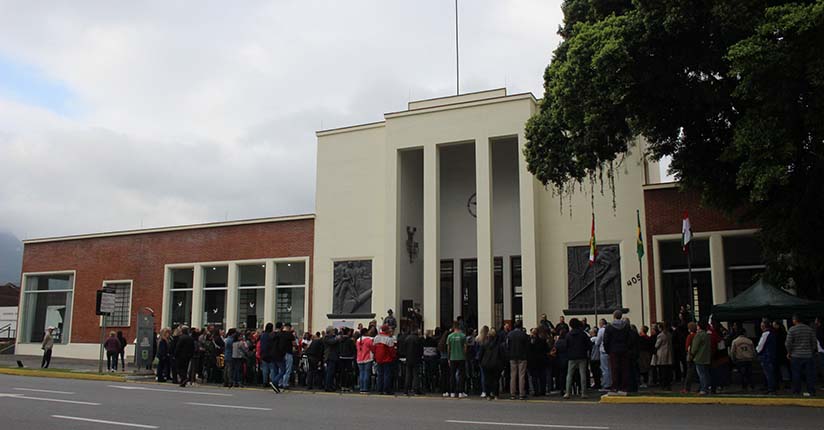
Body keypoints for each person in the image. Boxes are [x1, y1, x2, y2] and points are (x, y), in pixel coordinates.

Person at [786, 314, 818, 396]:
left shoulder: (792, 329)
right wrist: (811, 350)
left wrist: (789, 352)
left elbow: (788, 343)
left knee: (796, 374)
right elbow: (814, 342)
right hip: (808, 355)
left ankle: (796, 391)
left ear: (795, 320)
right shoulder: (809, 329)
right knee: (809, 374)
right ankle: (811, 391)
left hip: (796, 356)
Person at [604, 310, 630, 394]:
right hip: (624, 349)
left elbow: (606, 340)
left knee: (614, 369)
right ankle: (623, 387)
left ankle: (615, 386)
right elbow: (628, 338)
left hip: (613, 349)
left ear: (614, 316)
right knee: (624, 368)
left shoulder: (609, 326)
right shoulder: (626, 326)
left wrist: (607, 350)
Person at [565, 318, 590, 399]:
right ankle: (583, 392)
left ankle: (567, 393)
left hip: (571, 356)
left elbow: (566, 345)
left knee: (569, 375)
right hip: (582, 355)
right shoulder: (583, 334)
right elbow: (588, 344)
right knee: (582, 374)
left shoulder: (568, 334)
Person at [479, 328, 504, 400]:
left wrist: (481, 362)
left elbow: (481, 354)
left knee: (487, 379)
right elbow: (502, 355)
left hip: (486, 363)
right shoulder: (499, 345)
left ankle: (488, 395)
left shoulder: (485, 344)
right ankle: (496, 394)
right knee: (495, 380)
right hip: (496, 363)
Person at [507, 320, 529, 400]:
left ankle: (512, 394)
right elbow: (527, 347)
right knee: (521, 375)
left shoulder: (510, 334)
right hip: (522, 357)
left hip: (512, 356)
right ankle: (521, 394)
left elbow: (507, 346)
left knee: (513, 375)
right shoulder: (524, 335)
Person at [446, 322, 469, 398]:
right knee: (461, 375)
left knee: (452, 375)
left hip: (452, 358)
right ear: (459, 327)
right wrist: (464, 355)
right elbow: (465, 348)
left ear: (453, 327)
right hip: (461, 358)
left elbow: (448, 348)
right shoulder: (463, 336)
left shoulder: (450, 336)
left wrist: (449, 358)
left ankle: (452, 392)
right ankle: (460, 392)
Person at [373, 324, 397, 395]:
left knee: (380, 375)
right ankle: (386, 390)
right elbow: (392, 350)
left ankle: (379, 389)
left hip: (378, 359)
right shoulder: (389, 339)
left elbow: (373, 348)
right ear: (386, 330)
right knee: (387, 375)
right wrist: (393, 356)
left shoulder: (376, 337)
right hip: (387, 359)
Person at [730, 327, 755, 391]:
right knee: (749, 373)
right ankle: (752, 385)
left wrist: (733, 359)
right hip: (749, 359)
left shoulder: (735, 341)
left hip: (740, 360)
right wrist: (753, 357)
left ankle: (744, 386)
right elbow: (753, 351)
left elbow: (732, 351)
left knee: (742, 374)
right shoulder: (749, 341)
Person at [689, 322, 712, 396]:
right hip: (706, 357)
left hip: (699, 357)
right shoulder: (707, 335)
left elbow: (695, 347)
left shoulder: (698, 335)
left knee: (701, 374)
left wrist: (691, 354)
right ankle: (707, 388)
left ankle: (703, 389)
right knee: (706, 374)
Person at [756, 319, 777, 394]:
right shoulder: (773, 333)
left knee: (768, 373)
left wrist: (757, 351)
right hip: (771, 355)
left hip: (766, 356)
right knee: (771, 372)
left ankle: (771, 388)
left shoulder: (766, 333)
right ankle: (771, 387)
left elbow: (760, 346)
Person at [404, 328, 423, 395]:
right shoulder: (418, 339)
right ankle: (415, 390)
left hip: (408, 359)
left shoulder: (407, 338)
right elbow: (420, 350)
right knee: (416, 375)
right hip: (416, 359)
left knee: (408, 375)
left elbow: (404, 349)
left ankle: (406, 390)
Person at [654, 323, 673, 390]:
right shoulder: (669, 334)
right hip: (669, 353)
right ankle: (668, 385)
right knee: (667, 371)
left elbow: (657, 345)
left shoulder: (660, 335)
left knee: (662, 371)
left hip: (662, 354)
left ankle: (663, 385)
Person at [356, 327, 375, 393]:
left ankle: (361, 388)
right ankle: (365, 388)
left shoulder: (358, 340)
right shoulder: (369, 339)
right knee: (367, 373)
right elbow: (373, 348)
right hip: (367, 358)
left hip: (359, 358)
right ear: (366, 332)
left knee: (361, 373)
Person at [279, 323, 298, 389]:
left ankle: (280, 383)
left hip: (280, 353)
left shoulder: (280, 334)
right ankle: (285, 383)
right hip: (288, 353)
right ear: (289, 327)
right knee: (288, 369)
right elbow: (294, 344)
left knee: (281, 369)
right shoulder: (290, 334)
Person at [322, 326, 340, 392]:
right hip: (330, 357)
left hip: (333, 357)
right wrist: (337, 338)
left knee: (332, 373)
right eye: (332, 330)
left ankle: (331, 386)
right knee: (329, 373)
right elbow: (332, 342)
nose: (334, 331)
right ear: (329, 331)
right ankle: (327, 386)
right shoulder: (326, 338)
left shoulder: (332, 337)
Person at [594, 318, 610, 391]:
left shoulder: (601, 330)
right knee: (609, 368)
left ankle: (606, 385)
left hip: (603, 350)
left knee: (604, 368)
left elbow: (597, 342)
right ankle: (610, 383)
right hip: (609, 351)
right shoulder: (610, 329)